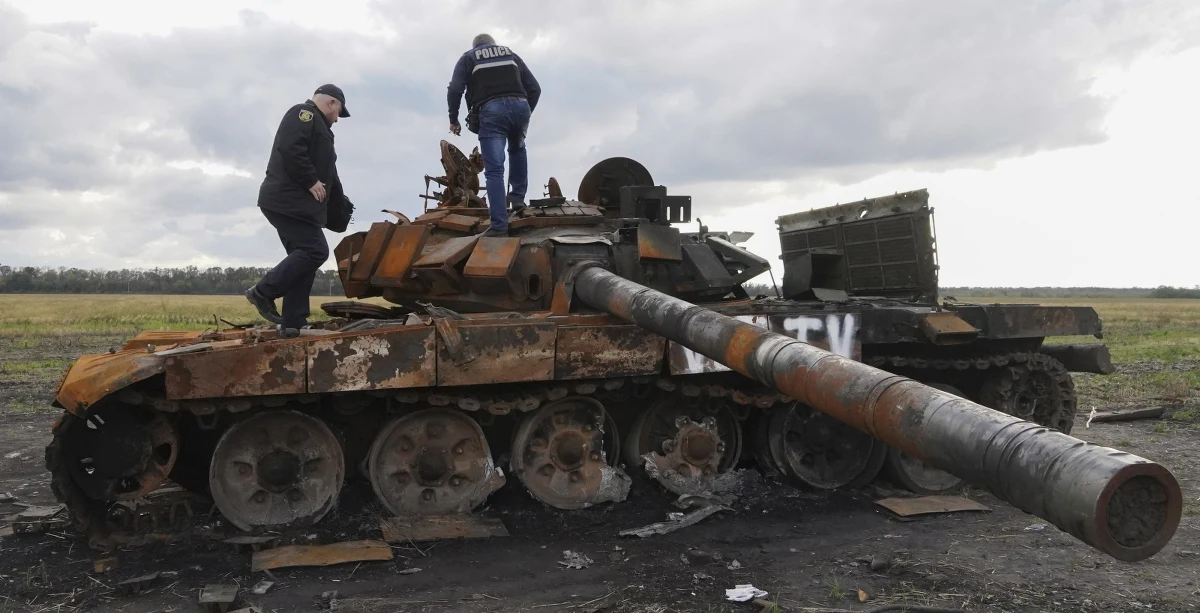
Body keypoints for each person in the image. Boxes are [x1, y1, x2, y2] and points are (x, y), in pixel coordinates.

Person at [245, 84, 351, 336]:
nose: (337, 119)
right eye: (339, 113)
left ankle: (293, 322)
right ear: (332, 103)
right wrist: (310, 180)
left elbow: (330, 176)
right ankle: (262, 292)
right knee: (315, 250)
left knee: (303, 258)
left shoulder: (321, 129)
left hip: (298, 207)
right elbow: (291, 147)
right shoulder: (304, 114)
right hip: (287, 201)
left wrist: (341, 206)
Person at [447, 33, 541, 237]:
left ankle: (499, 226)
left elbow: (455, 89)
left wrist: (453, 119)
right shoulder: (510, 55)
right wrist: (524, 112)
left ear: (476, 46)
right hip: (521, 105)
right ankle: (517, 200)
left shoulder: (468, 57)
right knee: (517, 149)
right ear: (493, 44)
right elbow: (535, 88)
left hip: (491, 110)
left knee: (495, 169)